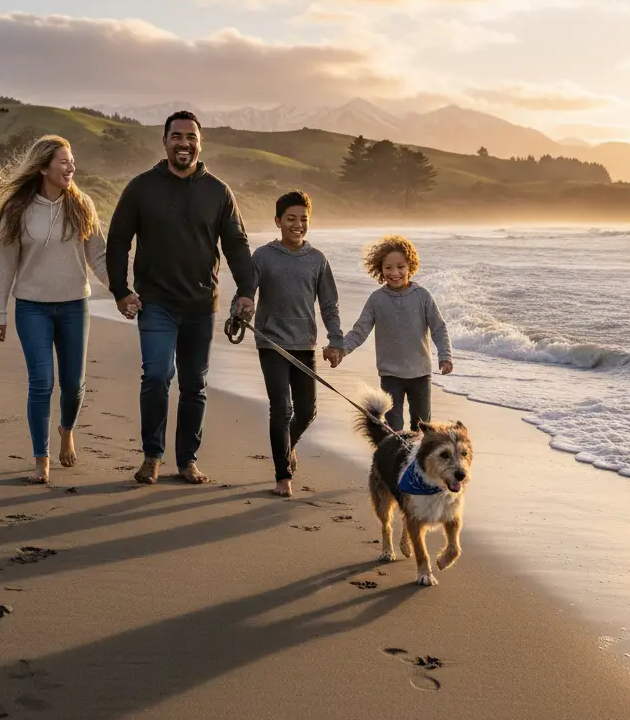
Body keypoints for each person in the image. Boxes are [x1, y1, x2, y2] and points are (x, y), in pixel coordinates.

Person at [106, 111, 256, 485]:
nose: (183, 143)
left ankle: (187, 460)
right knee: (157, 375)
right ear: (165, 142)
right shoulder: (141, 187)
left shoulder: (218, 192)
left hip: (201, 305)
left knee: (194, 385)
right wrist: (120, 290)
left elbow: (237, 245)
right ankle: (152, 456)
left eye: (191, 137)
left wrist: (246, 292)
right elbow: (119, 240)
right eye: (176, 136)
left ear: (200, 143)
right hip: (155, 302)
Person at [0, 135, 108, 485]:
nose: (71, 167)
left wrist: (124, 292)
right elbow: (3, 264)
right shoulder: (18, 210)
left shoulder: (82, 204)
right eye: (64, 161)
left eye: (72, 161)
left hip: (74, 306)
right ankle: (41, 458)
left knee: (73, 385)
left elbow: (98, 257)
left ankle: (66, 429)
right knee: (41, 382)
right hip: (31, 308)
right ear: (44, 167)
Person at [243, 190, 344, 498]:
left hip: (304, 344)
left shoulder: (317, 260)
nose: (298, 225)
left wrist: (336, 340)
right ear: (278, 221)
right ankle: (283, 475)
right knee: (281, 408)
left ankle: (289, 445)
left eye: (303, 219)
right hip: (271, 342)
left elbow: (329, 305)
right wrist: (241, 308)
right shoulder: (263, 256)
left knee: (307, 411)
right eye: (291, 219)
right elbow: (246, 291)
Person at [337, 234, 452, 432]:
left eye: (400, 267)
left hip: (420, 374)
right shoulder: (377, 299)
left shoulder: (422, 296)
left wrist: (445, 355)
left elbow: (439, 328)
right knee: (393, 429)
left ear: (410, 267)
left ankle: (416, 454)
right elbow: (360, 330)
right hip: (390, 375)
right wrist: (341, 350)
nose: (395, 273)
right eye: (388, 267)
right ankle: (396, 453)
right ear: (380, 269)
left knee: (421, 429)